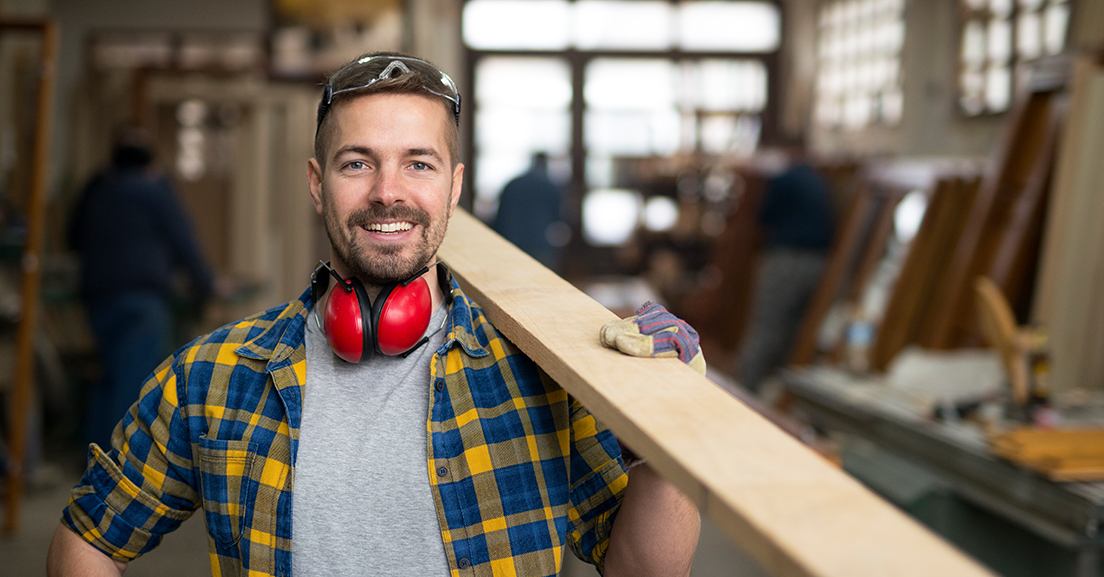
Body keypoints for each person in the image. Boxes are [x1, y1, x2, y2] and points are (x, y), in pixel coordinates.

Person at [48, 52, 699, 577]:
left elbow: (644, 567)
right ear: (315, 182)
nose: (388, 190)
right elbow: (89, 536)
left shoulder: (541, 371)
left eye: (419, 163)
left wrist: (668, 433)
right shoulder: (213, 378)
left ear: (456, 186)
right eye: (357, 163)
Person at [68, 126, 214, 451]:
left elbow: (73, 237)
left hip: (98, 299)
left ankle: (92, 456)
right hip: (142, 301)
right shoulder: (154, 191)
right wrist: (205, 285)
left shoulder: (97, 189)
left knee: (108, 375)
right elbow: (184, 241)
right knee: (132, 383)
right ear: (150, 162)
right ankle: (117, 464)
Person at [738, 148, 833, 393]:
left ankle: (743, 393)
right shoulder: (817, 180)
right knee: (796, 334)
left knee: (766, 329)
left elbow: (763, 216)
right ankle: (778, 395)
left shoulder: (785, 179)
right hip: (819, 263)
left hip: (786, 259)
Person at [492, 152, 565, 271]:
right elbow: (558, 220)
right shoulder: (551, 186)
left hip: (510, 244)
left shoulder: (512, 184)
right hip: (540, 246)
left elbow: (498, 218)